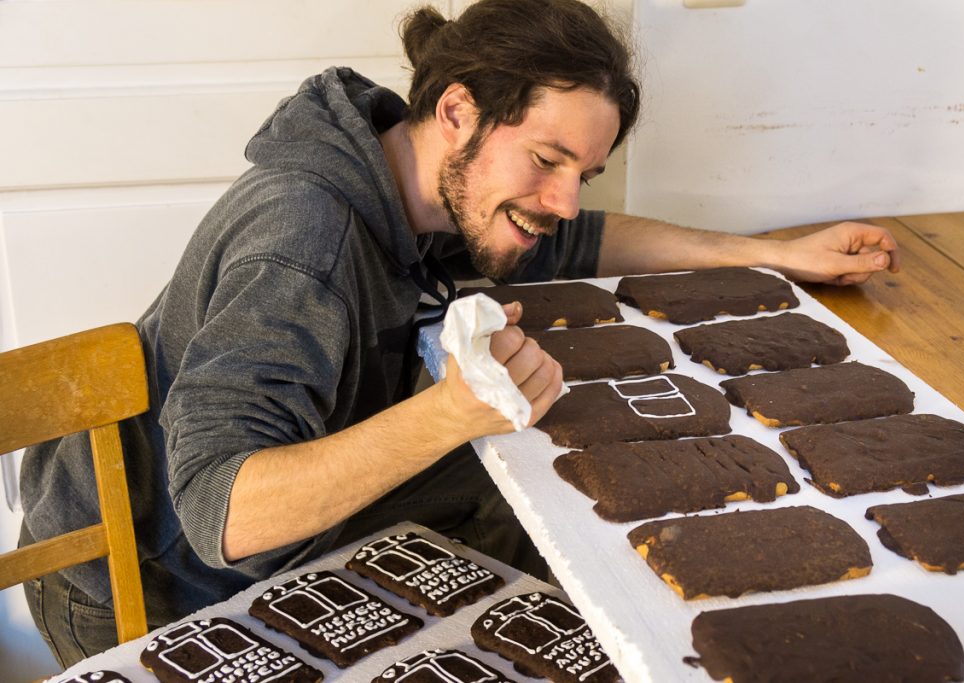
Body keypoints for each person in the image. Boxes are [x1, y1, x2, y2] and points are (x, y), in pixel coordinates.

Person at [19, 0, 899, 667]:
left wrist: (772, 255)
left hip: (262, 534)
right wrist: (451, 413)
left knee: (570, 514)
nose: (562, 200)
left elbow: (583, 238)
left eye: (582, 172)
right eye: (548, 161)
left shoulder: (433, 182)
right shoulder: (306, 242)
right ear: (455, 111)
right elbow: (223, 510)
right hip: (152, 581)